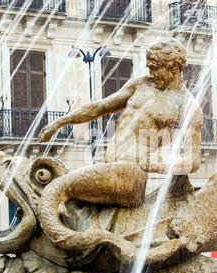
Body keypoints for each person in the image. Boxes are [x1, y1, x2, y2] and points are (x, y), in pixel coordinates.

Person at [38, 38, 203, 213]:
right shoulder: (141, 84)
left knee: (56, 189)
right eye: (149, 67)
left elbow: (193, 160)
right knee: (56, 188)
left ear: (174, 68)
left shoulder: (187, 107)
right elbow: (100, 107)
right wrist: (60, 122)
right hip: (110, 167)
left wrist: (158, 163)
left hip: (131, 177)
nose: (151, 72)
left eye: (155, 67)